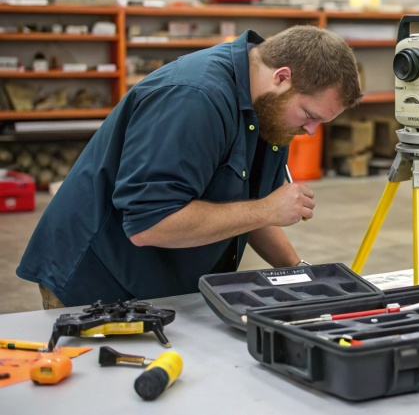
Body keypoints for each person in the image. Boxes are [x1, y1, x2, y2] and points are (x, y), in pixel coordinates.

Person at [17, 25, 362, 308]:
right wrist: (268, 209)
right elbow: (150, 223)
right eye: (310, 115)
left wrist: (302, 276)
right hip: (96, 283)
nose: (310, 131)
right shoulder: (195, 98)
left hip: (164, 284)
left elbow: (250, 209)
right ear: (282, 77)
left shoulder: (270, 113)